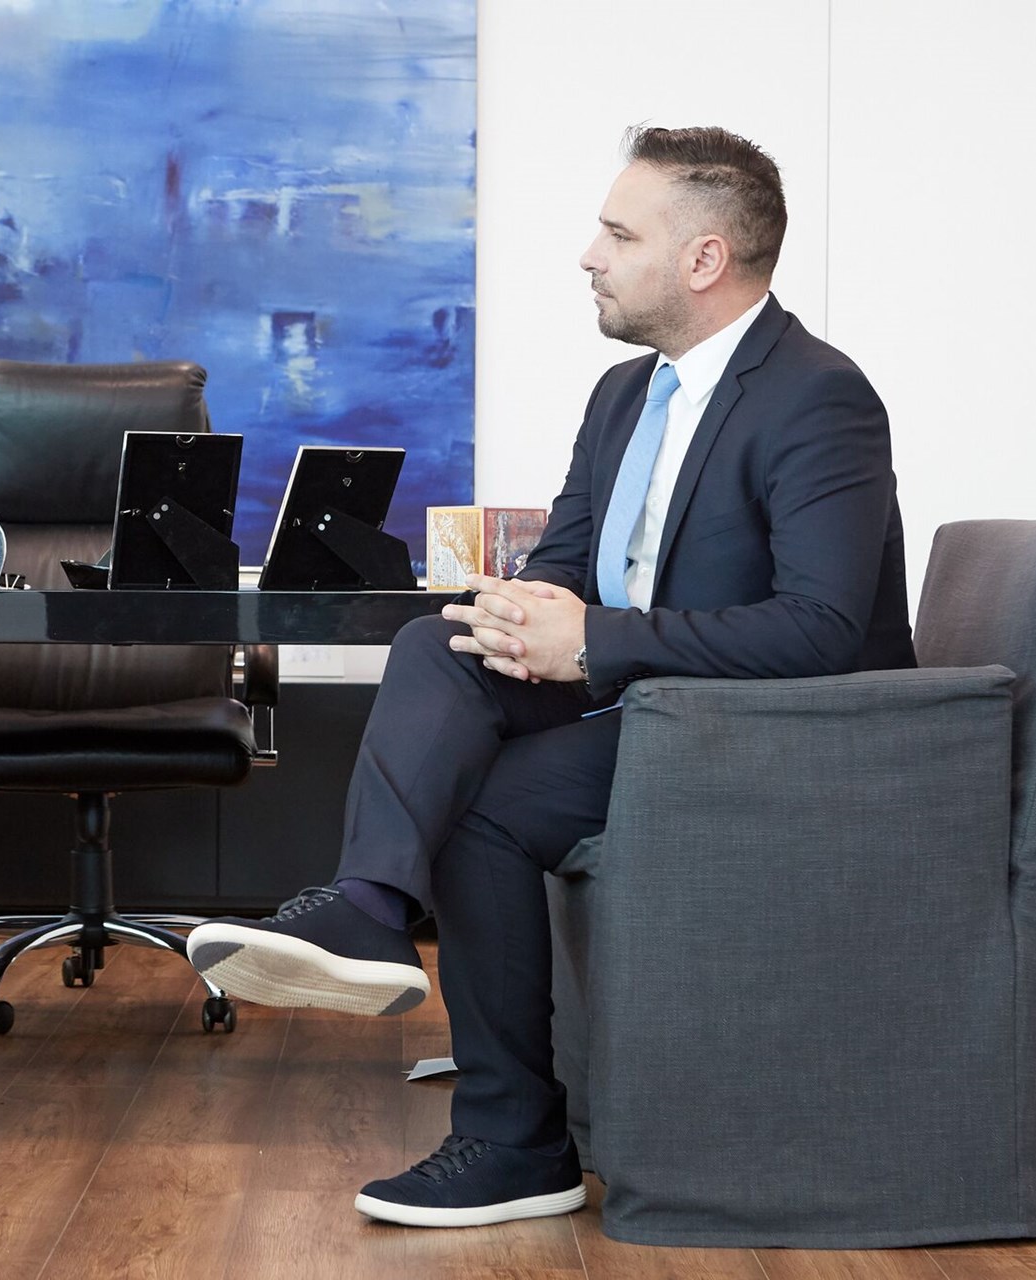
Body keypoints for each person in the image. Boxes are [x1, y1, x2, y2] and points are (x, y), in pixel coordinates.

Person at [188, 125, 914, 1229]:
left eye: (619, 235)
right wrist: (519, 614)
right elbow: (566, 566)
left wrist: (592, 645)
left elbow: (820, 630)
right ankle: (374, 913)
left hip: (771, 729)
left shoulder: (818, 396)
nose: (590, 255)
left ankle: (508, 1130)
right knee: (436, 643)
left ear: (704, 258)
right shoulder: (626, 395)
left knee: (486, 805)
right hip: (659, 701)